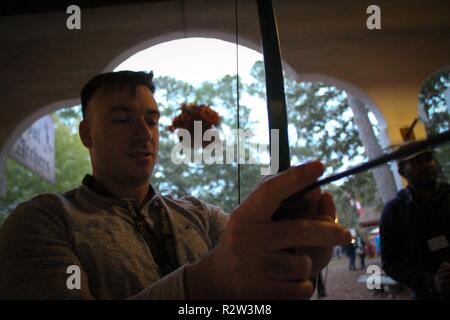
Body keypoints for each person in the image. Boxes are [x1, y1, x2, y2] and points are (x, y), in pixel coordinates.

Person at [0, 71, 351, 299]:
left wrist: (285, 258)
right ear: (87, 134)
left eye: (151, 120)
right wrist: (204, 283)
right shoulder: (42, 221)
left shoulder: (200, 215)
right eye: (122, 119)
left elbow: (246, 295)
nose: (144, 133)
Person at [380, 142, 450, 300]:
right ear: (401, 170)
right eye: (417, 161)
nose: (426, 165)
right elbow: (391, 263)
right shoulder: (394, 212)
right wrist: (431, 282)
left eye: (428, 158)